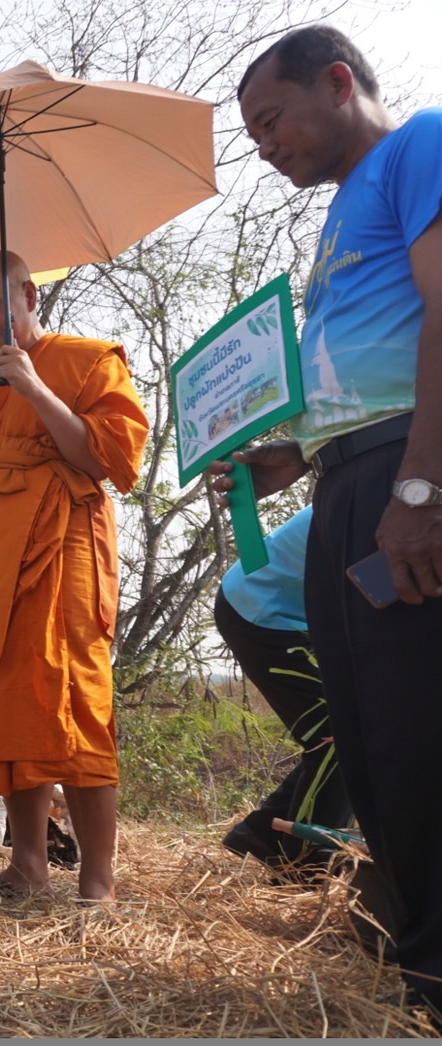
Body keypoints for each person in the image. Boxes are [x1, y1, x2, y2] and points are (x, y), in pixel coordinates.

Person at [212, 25, 442, 1011]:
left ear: (338, 82)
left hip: (407, 471)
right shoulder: (342, 212)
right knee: (365, 726)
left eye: (272, 120)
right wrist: (290, 454)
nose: (265, 146)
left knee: (414, 723)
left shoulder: (422, 144)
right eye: (254, 133)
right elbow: (358, 368)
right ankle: (409, 940)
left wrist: (420, 490)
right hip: (347, 478)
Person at [0, 250, 150, 902]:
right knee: (9, 705)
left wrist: (35, 389)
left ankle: (97, 878)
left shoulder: (90, 361)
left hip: (62, 550)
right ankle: (28, 864)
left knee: (73, 700)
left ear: (29, 295)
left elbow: (106, 462)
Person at [213, 506, 353, 877]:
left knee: (357, 731)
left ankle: (267, 833)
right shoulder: (397, 494)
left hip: (297, 613)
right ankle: (305, 865)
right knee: (338, 736)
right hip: (262, 611)